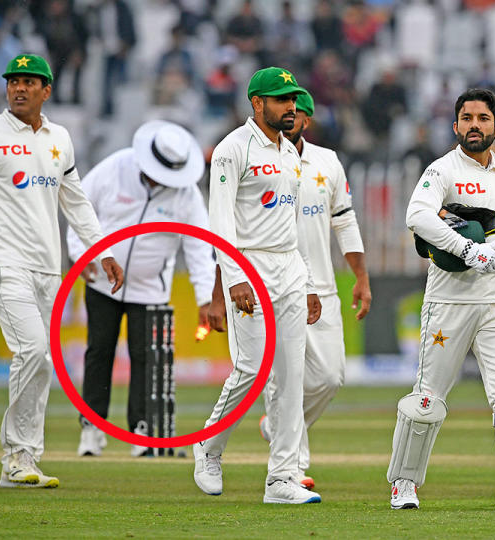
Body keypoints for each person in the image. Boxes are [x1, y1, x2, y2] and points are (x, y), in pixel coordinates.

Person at [386, 88, 495, 511]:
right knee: (428, 399)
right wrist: (466, 249)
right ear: (456, 125)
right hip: (449, 302)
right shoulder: (441, 170)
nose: (473, 125)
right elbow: (417, 216)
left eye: (482, 118)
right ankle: (404, 484)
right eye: (466, 118)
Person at [0, 54, 123, 488]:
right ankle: (15, 456)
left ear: (47, 90)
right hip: (3, 261)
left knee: (42, 362)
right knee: (35, 353)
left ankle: (24, 461)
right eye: (14, 82)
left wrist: (102, 251)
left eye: (29, 82)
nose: (19, 88)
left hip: (49, 267)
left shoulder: (59, 137)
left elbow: (76, 201)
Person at [191, 67, 322, 504]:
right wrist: (234, 278)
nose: (290, 107)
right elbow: (220, 221)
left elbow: (291, 224)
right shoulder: (233, 148)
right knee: (252, 368)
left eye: (293, 99)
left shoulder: (290, 152)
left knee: (291, 376)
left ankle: (282, 478)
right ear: (256, 103)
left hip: (288, 269)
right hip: (250, 267)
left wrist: (306, 281)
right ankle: (208, 446)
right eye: (281, 99)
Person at [68, 120, 214, 458]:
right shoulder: (116, 167)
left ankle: (142, 431)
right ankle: (92, 429)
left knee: (146, 359)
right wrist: (81, 256)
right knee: (98, 352)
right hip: (102, 280)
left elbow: (198, 248)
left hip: (151, 288)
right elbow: (79, 207)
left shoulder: (187, 194)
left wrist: (205, 298)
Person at [258, 91, 372, 490]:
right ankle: (291, 467)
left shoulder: (327, 161)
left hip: (321, 288)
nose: (291, 117)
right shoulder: (258, 160)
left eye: (299, 112)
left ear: (307, 119)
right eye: (286, 110)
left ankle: (276, 423)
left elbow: (344, 221)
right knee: (282, 379)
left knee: (330, 377)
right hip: (275, 284)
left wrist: (361, 276)